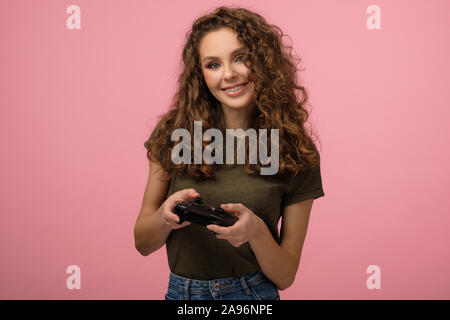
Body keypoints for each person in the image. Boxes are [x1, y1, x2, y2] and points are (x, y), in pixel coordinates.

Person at [134, 6, 325, 300]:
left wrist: (256, 233)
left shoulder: (293, 150)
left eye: (240, 58)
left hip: (251, 296)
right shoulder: (175, 133)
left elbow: (285, 275)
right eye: (213, 64)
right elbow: (143, 242)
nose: (229, 74)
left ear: (263, 61)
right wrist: (165, 217)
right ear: (200, 75)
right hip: (182, 296)